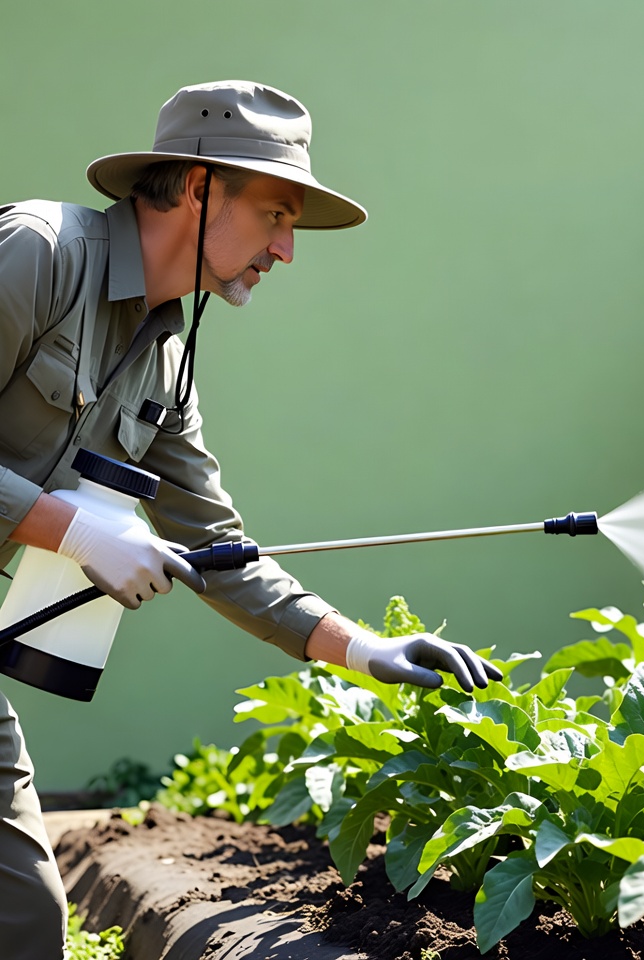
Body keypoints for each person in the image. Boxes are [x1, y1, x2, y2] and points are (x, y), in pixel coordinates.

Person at [0, 79, 502, 958]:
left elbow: (221, 549)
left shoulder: (164, 358)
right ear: (198, 187)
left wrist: (360, 650)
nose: (288, 249)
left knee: (22, 923)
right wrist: (70, 528)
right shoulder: (37, 254)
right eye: (276, 213)